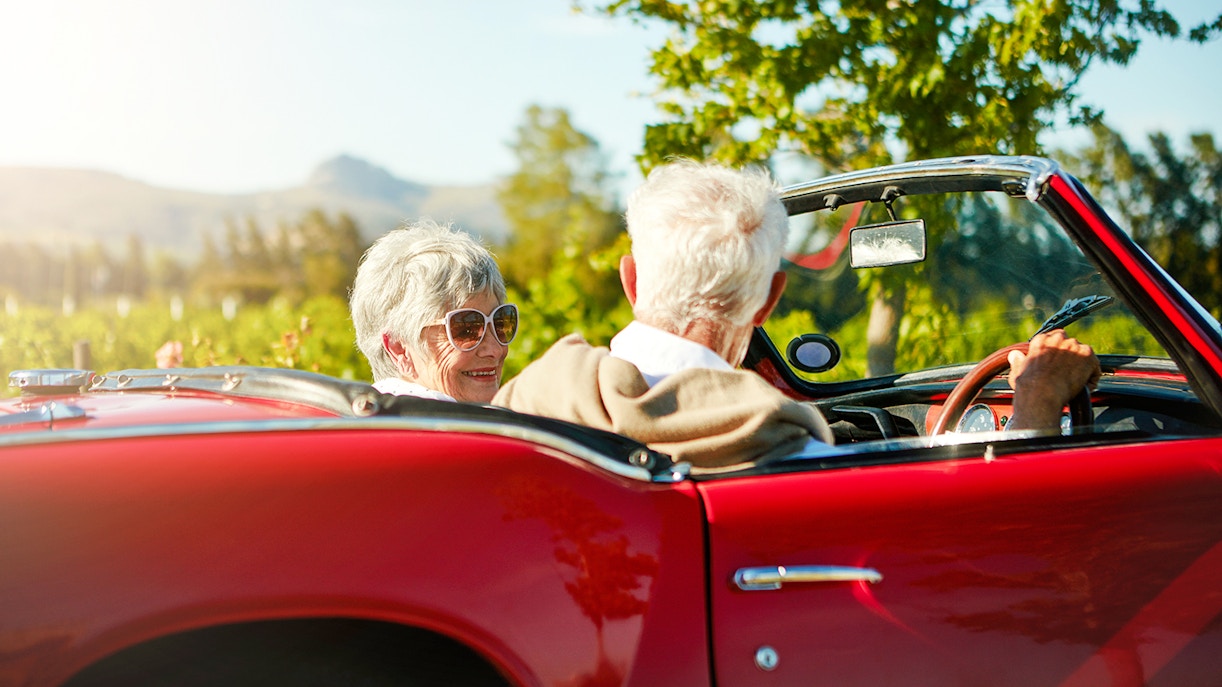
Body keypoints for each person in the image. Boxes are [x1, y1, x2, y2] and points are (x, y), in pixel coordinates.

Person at [493, 159, 1100, 470]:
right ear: (770, 299)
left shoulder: (524, 406)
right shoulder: (781, 450)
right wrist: (1037, 404)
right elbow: (973, 556)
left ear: (630, 280)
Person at [350, 219, 517, 404]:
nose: (495, 349)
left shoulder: (365, 421)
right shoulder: (441, 427)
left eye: (500, 321)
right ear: (399, 349)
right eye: (466, 328)